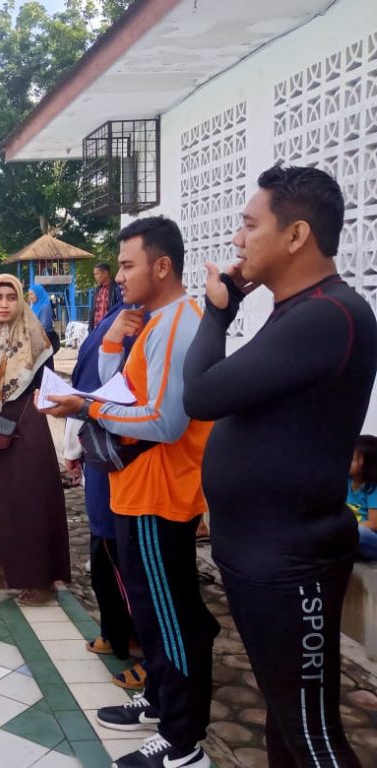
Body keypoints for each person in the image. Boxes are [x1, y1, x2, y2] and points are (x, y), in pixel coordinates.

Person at [183, 165, 377, 768]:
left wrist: (217, 314)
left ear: (296, 235)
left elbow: (203, 394)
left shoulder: (329, 315)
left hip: (291, 563)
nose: (237, 240)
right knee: (287, 724)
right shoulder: (297, 310)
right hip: (261, 554)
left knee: (312, 735)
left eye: (249, 225)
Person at [42, 216, 216, 768]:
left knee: (171, 616)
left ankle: (182, 740)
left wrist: (87, 407)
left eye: (126, 265)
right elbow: (122, 387)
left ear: (162, 266)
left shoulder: (178, 325)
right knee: (150, 608)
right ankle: (160, 699)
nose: (117, 276)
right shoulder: (154, 322)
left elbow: (163, 421)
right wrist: (116, 340)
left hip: (160, 495)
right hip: (137, 490)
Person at [0, 274, 69, 604]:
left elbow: (45, 385)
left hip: (26, 428)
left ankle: (40, 580)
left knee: (30, 501)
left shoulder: (38, 339)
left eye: (11, 297)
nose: (4, 304)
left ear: (21, 300)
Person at [61, 301, 144, 690]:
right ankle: (115, 630)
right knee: (105, 547)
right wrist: (74, 444)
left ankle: (141, 646)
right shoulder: (116, 321)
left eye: (128, 270)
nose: (121, 276)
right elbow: (87, 384)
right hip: (101, 453)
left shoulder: (151, 324)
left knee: (126, 557)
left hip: (127, 458)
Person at [349, 435, 377, 560]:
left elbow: (374, 524)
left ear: (367, 464)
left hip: (369, 540)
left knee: (361, 532)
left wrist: (346, 528)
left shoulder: (373, 489)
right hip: (348, 536)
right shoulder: (346, 482)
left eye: (352, 459)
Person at [89, 262, 123, 331]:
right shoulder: (97, 290)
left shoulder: (116, 288)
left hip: (110, 328)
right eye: (94, 274)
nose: (95, 276)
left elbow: (121, 308)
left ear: (105, 273)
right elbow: (93, 311)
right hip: (97, 328)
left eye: (97, 274)